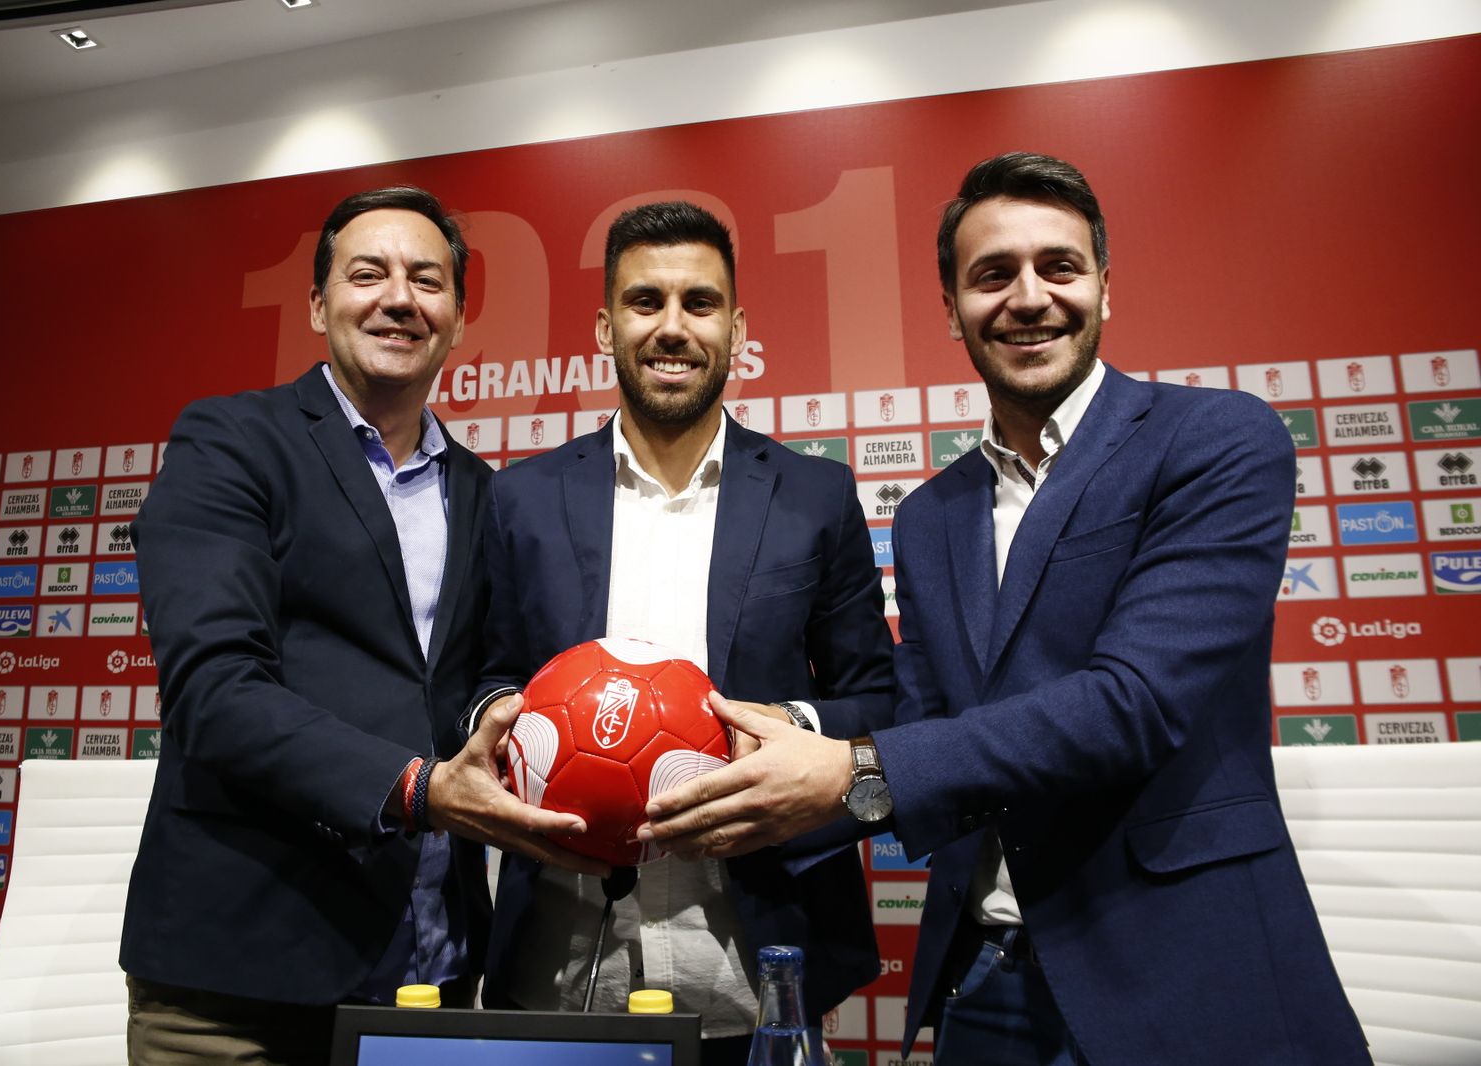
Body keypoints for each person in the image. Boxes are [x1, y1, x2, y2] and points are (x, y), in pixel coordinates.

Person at [641, 154, 1370, 1065]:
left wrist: (850, 767)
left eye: (1059, 267)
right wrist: (769, 750)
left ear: (1105, 286)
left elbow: (1134, 702)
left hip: (1186, 970)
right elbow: (925, 727)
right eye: (992, 275)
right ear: (952, 309)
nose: (1029, 298)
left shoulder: (1217, 439)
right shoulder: (930, 514)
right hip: (984, 977)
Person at [120, 186, 602, 1065]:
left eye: (428, 280)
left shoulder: (486, 492)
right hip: (242, 983)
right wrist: (416, 789)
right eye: (368, 274)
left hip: (430, 972)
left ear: (458, 319)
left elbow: (481, 684)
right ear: (318, 305)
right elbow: (214, 689)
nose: (399, 299)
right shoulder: (232, 442)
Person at [468, 201, 893, 1065]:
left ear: (737, 329)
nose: (672, 327)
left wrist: (788, 726)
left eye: (700, 303)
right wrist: (503, 720)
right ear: (605, 328)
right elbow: (485, 675)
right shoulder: (521, 499)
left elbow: (883, 698)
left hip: (752, 973)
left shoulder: (815, 497)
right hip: (558, 968)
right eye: (644, 301)